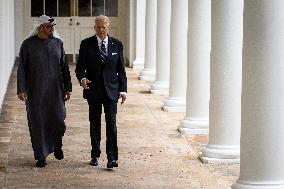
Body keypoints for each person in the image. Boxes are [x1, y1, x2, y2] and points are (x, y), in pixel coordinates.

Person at [17, 15, 72, 168]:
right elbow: (21, 67)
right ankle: (41, 155)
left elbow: (64, 67)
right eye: (49, 27)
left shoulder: (58, 43)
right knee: (38, 122)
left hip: (56, 90)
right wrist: (21, 88)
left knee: (58, 119)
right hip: (36, 91)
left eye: (53, 27)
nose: (52, 29)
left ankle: (57, 145)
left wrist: (68, 87)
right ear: (40, 28)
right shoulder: (28, 45)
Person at [75, 15, 127, 168]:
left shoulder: (117, 44)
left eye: (103, 27)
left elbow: (121, 70)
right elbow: (80, 67)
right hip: (93, 90)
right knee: (95, 124)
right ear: (94, 27)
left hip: (112, 90)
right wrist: (82, 78)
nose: (101, 30)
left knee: (111, 124)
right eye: (98, 27)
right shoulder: (86, 44)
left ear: (108, 27)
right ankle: (95, 155)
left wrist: (123, 90)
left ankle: (112, 158)